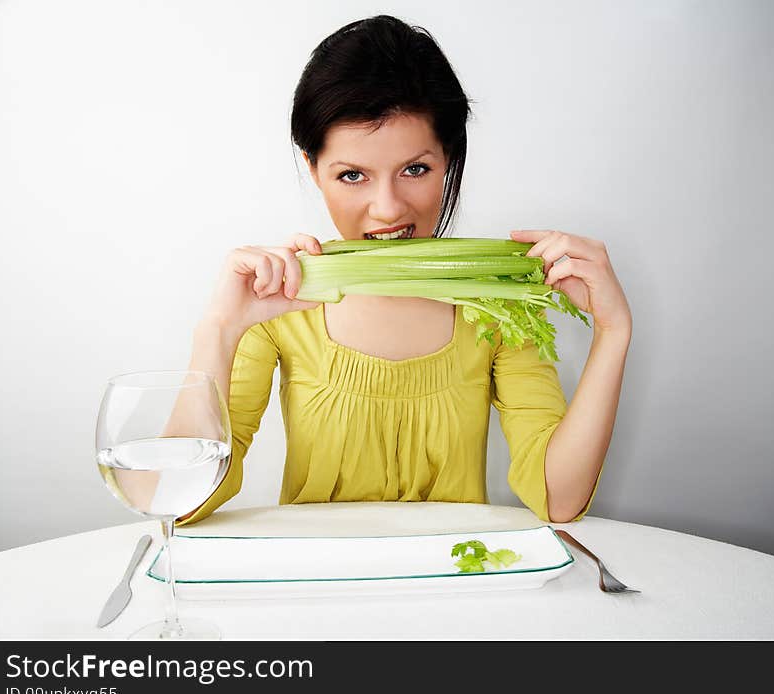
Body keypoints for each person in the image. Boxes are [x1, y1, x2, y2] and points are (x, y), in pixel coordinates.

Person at [177, 15, 632, 527]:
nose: (388, 209)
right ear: (312, 169)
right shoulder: (282, 298)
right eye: (352, 175)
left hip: (455, 581)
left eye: (415, 169)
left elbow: (559, 499)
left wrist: (614, 333)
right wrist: (218, 329)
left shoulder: (497, 298)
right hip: (318, 588)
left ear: (450, 158)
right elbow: (182, 500)